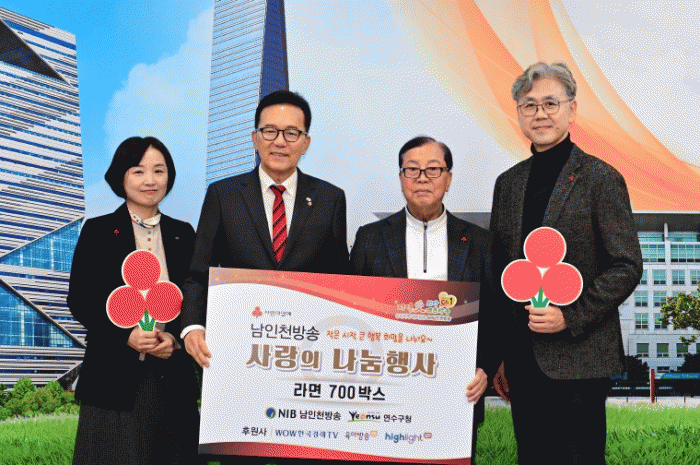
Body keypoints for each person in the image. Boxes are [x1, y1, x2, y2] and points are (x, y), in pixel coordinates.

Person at [489, 62, 643, 465]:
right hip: (522, 359)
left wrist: (570, 316)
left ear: (571, 110)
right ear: (519, 113)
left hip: (580, 357)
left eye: (550, 103)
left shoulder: (600, 178)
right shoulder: (508, 184)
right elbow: (501, 272)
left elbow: (626, 264)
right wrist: (500, 353)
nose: (540, 114)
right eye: (529, 105)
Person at [351, 136, 499, 464]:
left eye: (433, 169)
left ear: (448, 178)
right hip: (385, 391)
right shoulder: (370, 238)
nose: (422, 178)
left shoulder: (480, 242)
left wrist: (485, 369)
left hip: (456, 391)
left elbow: (495, 314)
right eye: (412, 170)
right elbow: (352, 312)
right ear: (401, 177)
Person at [181, 90, 349, 365]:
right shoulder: (223, 195)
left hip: (307, 346)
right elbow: (199, 274)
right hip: (238, 341)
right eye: (270, 131)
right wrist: (193, 326)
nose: (280, 142)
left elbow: (340, 279)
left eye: (291, 133)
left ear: (305, 143)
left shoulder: (330, 199)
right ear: (255, 138)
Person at [68, 137, 200, 464]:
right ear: (121, 177)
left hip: (172, 378)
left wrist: (175, 339)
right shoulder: (98, 230)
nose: (150, 180)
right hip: (113, 378)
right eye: (138, 171)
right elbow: (81, 298)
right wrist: (125, 335)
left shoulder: (184, 233)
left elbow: (198, 295)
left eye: (159, 170)